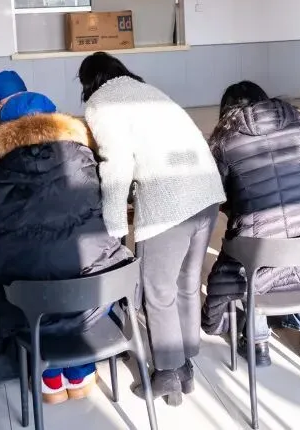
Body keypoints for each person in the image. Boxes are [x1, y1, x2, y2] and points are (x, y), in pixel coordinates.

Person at [0, 91, 131, 404]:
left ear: (5, 129)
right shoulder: (88, 159)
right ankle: (80, 372)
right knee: (77, 286)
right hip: (93, 294)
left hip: (28, 301)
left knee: (22, 290)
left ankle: (49, 378)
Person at [78, 52, 225, 402]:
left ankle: (168, 374)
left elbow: (115, 166)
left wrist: (115, 228)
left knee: (158, 291)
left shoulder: (101, 103)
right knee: (187, 282)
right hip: (207, 192)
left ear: (88, 82)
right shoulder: (150, 92)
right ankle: (185, 361)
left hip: (169, 201)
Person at [200, 81, 300, 366]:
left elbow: (214, 196)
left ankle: (257, 342)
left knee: (245, 260)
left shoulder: (224, 141)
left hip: (260, 262)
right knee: (298, 240)